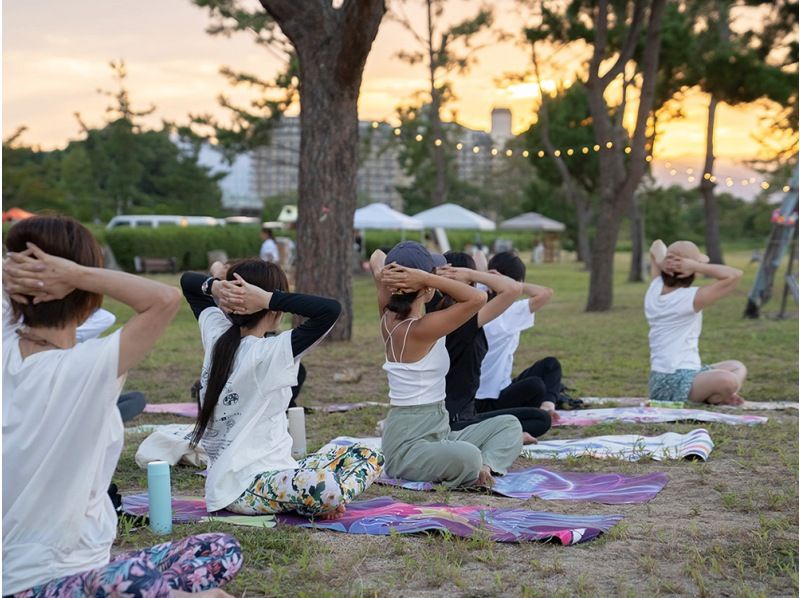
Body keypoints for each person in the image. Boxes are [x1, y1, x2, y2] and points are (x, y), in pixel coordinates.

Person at [2, 215, 241, 598]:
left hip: (81, 571)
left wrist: (22, 269)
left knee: (215, 549)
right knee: (198, 585)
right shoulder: (86, 368)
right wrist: (77, 272)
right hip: (42, 583)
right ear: (84, 294)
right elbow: (163, 299)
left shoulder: (6, 347)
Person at [180, 259, 382, 520]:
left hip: (280, 471)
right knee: (324, 485)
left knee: (367, 453)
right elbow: (329, 310)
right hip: (243, 488)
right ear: (272, 307)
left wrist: (216, 287)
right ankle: (327, 498)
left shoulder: (216, 331)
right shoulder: (269, 352)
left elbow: (188, 282)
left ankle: (324, 496)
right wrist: (269, 298)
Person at [371, 242, 522, 488]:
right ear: (427, 290)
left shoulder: (388, 313)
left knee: (509, 425)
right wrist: (427, 278)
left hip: (437, 428)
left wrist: (397, 276)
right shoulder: (418, 329)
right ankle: (476, 466)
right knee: (468, 456)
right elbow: (478, 297)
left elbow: (377, 255)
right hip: (407, 445)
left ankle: (485, 468)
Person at [432, 251, 552, 444]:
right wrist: (473, 274)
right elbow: (513, 288)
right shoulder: (469, 320)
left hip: (434, 415)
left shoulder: (428, 311)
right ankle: (497, 435)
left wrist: (428, 277)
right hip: (458, 420)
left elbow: (377, 257)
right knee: (540, 419)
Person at [646, 239, 746, 405]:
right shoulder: (690, 298)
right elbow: (735, 275)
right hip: (673, 382)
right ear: (692, 271)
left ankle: (717, 396)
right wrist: (697, 266)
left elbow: (656, 246)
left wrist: (666, 261)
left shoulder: (655, 286)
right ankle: (719, 395)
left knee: (736, 366)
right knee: (730, 380)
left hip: (669, 377)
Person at [474, 251, 564, 424]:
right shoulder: (508, 314)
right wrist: (510, 284)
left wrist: (488, 278)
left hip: (493, 390)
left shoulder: (477, 298)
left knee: (550, 365)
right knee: (536, 385)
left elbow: (478, 255)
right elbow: (545, 293)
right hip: (489, 400)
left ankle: (547, 407)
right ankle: (544, 411)